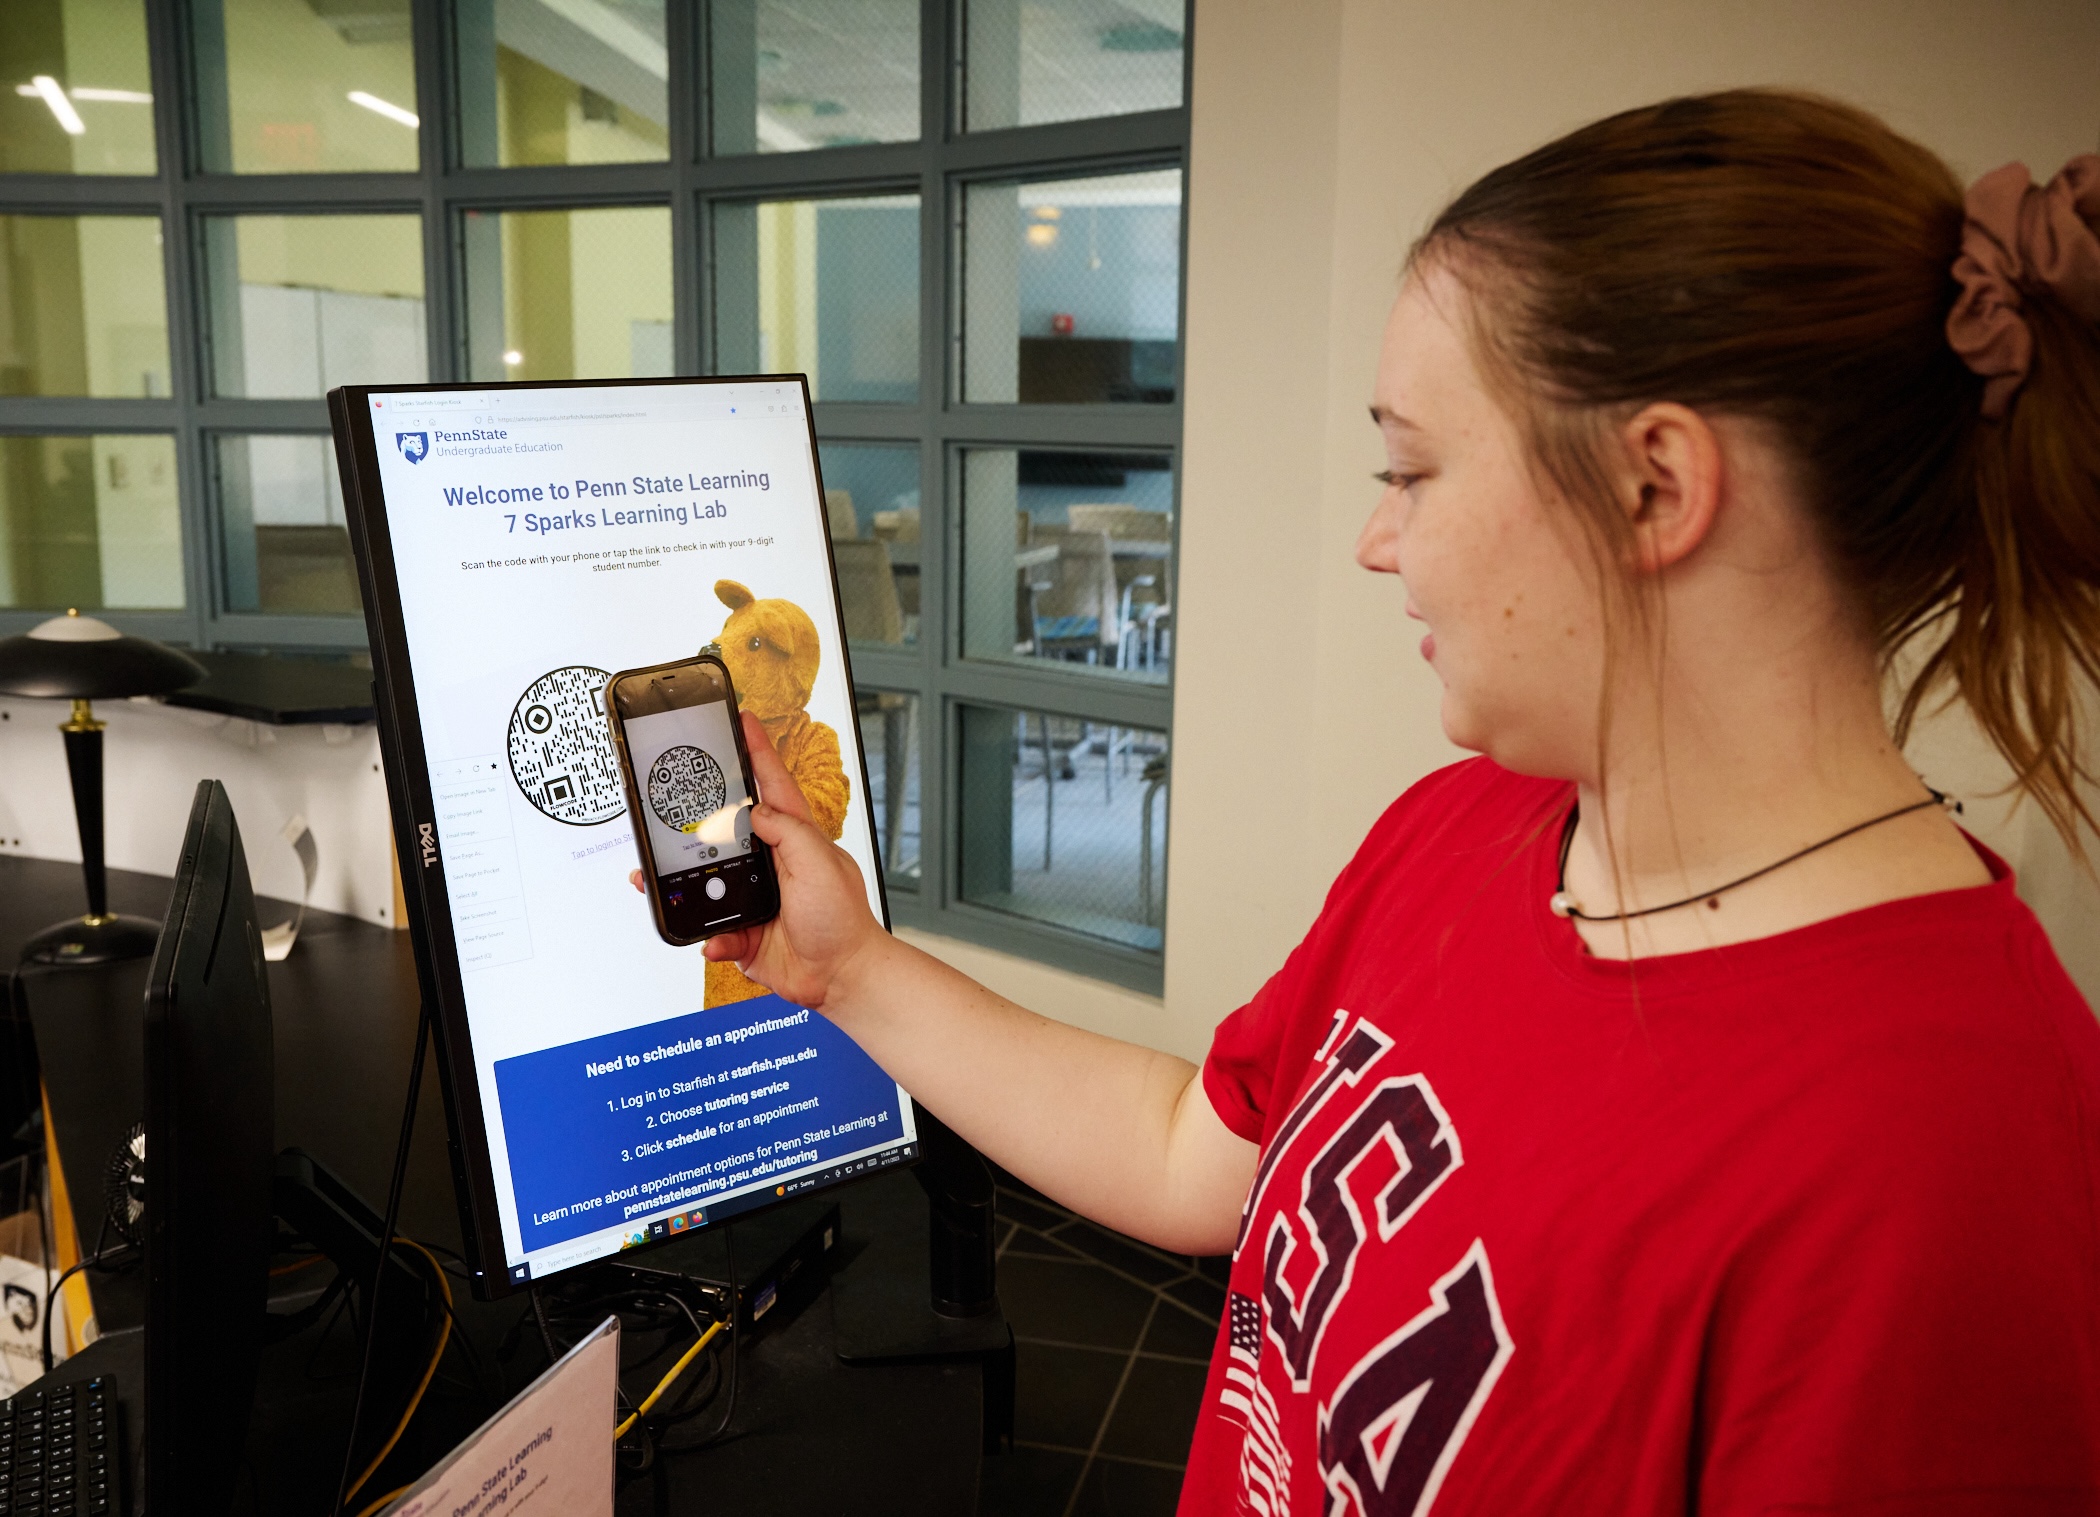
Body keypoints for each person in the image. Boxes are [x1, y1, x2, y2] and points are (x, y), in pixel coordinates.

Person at [665, 91, 2100, 1513]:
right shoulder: (1467, 827)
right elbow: (1193, 1152)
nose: (1373, 537)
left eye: (1412, 466)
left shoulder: (1961, 1165)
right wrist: (848, 971)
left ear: (1657, 485)